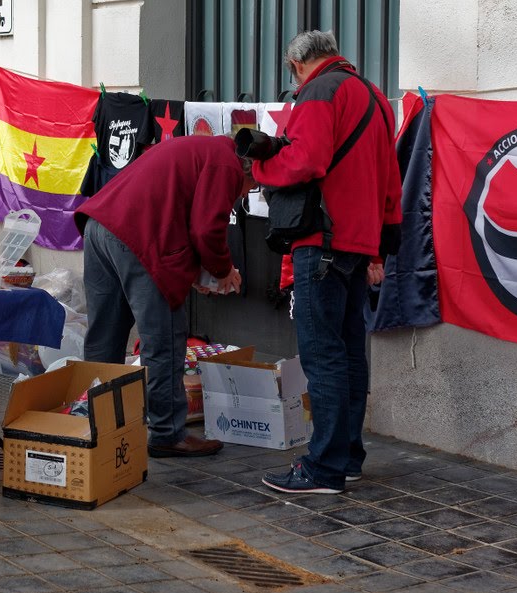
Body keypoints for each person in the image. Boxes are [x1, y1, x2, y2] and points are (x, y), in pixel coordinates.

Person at [240, 30, 401, 495]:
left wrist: (261, 169)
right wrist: (379, 250)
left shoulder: (319, 91)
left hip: (322, 241)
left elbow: (307, 161)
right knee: (349, 352)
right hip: (357, 243)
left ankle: (324, 468)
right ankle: (347, 457)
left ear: (296, 66)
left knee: (323, 354)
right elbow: (391, 183)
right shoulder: (374, 97)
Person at [75, 135, 252, 459]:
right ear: (251, 169)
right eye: (251, 188)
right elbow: (206, 230)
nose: (246, 194)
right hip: (136, 237)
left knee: (104, 336)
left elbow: (180, 214)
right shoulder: (226, 164)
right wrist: (223, 269)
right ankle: (167, 433)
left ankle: (97, 424)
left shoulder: (201, 148)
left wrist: (197, 273)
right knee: (164, 340)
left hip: (100, 226)